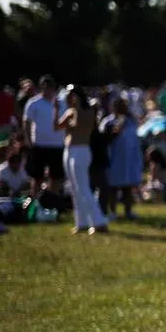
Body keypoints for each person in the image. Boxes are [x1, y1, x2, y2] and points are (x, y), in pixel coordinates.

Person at [54, 86, 108, 234]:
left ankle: (99, 221)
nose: (70, 99)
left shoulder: (87, 110)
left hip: (81, 150)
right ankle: (82, 222)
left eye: (73, 96)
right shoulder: (70, 111)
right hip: (69, 150)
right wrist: (57, 110)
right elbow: (57, 126)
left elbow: (78, 124)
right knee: (74, 188)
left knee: (83, 187)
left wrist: (73, 108)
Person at [22, 75, 66, 197]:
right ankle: (35, 203)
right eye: (45, 87)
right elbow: (26, 122)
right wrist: (28, 139)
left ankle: (54, 203)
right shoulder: (33, 103)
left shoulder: (61, 103)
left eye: (50, 87)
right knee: (37, 177)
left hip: (57, 145)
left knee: (56, 177)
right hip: (39, 145)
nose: (48, 90)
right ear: (41, 88)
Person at [101, 98, 144, 219]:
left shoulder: (131, 122)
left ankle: (128, 211)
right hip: (114, 158)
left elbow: (135, 141)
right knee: (113, 187)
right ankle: (112, 211)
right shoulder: (108, 122)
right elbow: (105, 140)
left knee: (127, 187)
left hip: (129, 159)